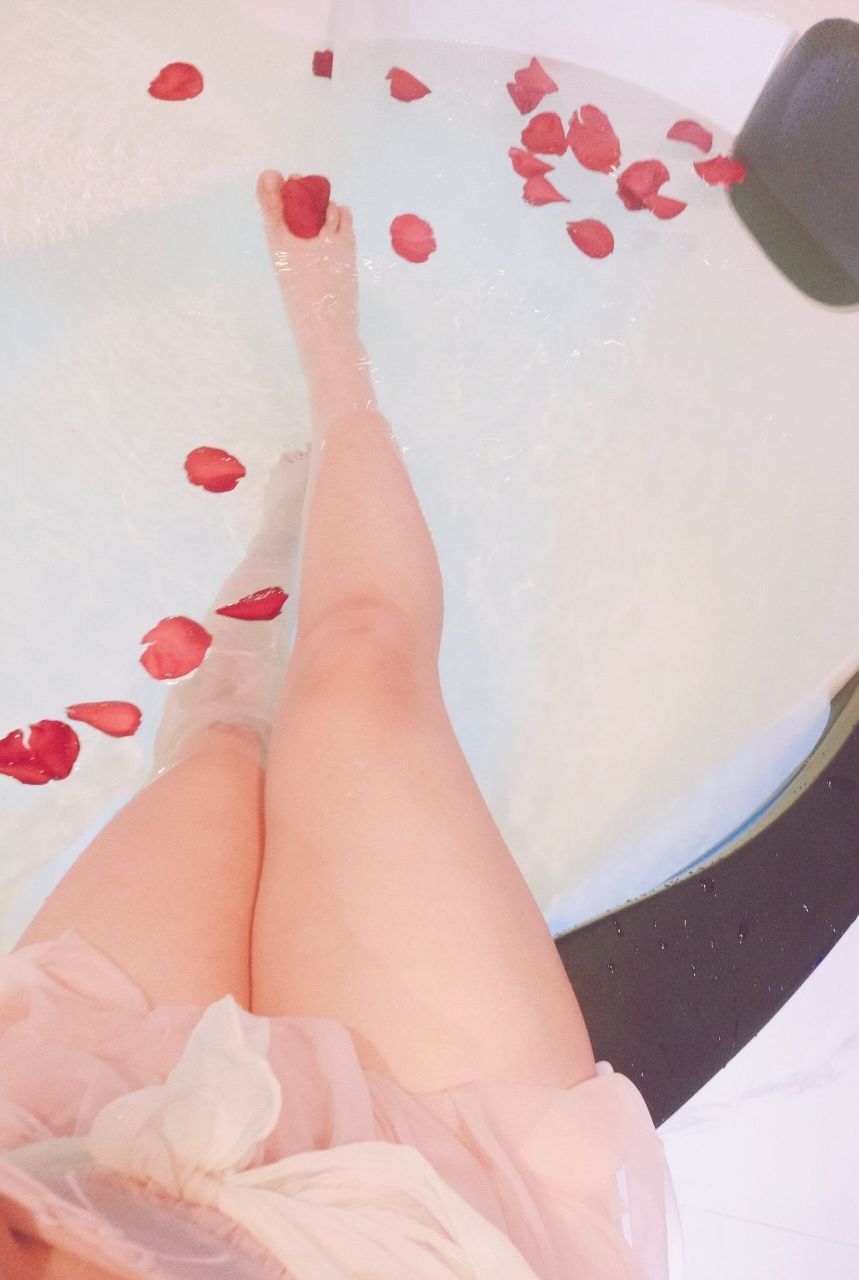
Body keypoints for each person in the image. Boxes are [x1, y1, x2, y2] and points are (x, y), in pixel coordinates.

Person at [0, 171, 679, 1279]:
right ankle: (303, 483)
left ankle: (327, 397)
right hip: (408, 1230)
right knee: (341, 686)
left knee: (245, 745)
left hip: (56, 1148)